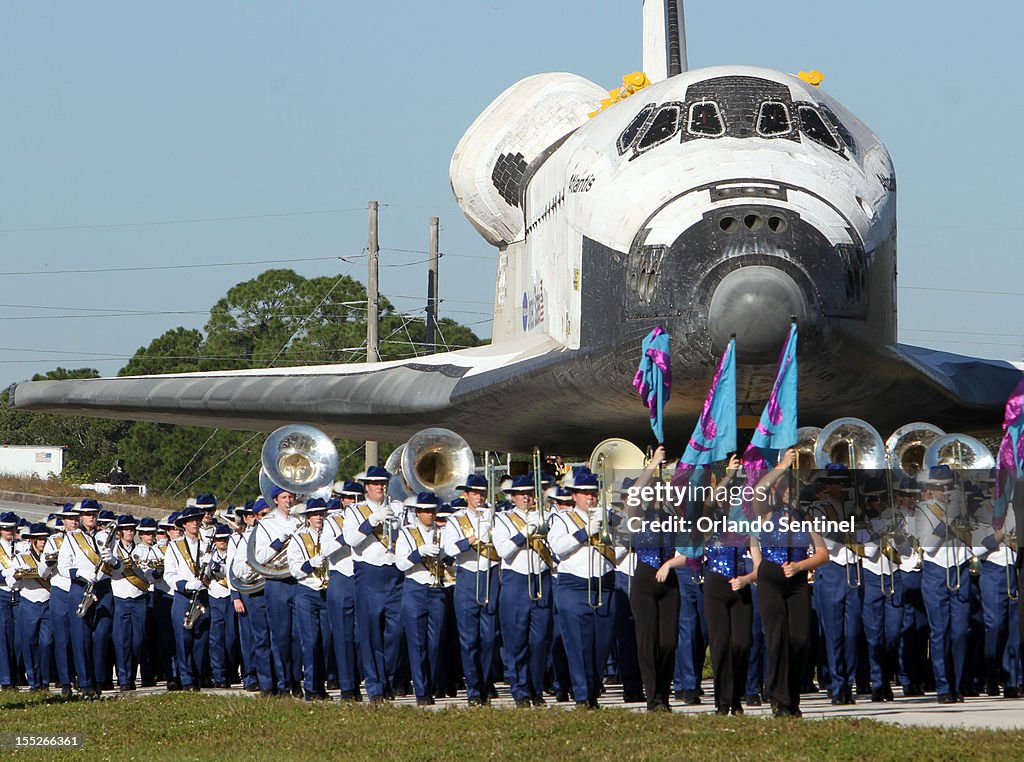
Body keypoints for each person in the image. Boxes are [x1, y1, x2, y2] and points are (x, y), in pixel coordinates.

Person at [751, 448, 829, 718]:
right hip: (771, 579)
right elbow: (759, 490)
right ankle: (778, 698)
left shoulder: (805, 518)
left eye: (791, 489)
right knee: (776, 639)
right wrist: (783, 465)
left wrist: (800, 565)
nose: (788, 493)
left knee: (799, 640)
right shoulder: (765, 514)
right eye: (784, 488)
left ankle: (792, 699)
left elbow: (822, 554)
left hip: (796, 580)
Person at [547, 469, 623, 709]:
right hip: (574, 584)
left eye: (593, 493)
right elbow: (558, 547)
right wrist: (586, 531)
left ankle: (592, 691)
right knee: (579, 643)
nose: (590, 497)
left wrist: (610, 535)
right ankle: (582, 695)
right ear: (574, 495)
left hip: (604, 583)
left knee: (601, 644)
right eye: (584, 493)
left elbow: (626, 542)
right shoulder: (563, 519)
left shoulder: (609, 517)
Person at [625, 446, 682, 712]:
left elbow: (689, 550)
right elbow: (634, 497)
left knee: (668, 641)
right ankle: (653, 698)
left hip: (668, 579)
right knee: (647, 640)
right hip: (645, 579)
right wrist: (653, 464)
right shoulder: (638, 517)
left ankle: (665, 693)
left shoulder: (673, 517)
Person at [701, 455, 758, 716]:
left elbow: (757, 561)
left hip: (740, 586)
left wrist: (747, 579)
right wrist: (730, 474)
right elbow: (710, 502)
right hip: (715, 584)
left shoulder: (745, 525)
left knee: (742, 643)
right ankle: (723, 702)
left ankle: (736, 698)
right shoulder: (709, 521)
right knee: (720, 644)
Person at [342, 465, 404, 703]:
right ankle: (375, 686)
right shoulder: (356, 512)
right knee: (370, 634)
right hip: (368, 573)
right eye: (375, 483)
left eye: (383, 483)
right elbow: (351, 540)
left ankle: (388, 677)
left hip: (394, 573)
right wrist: (372, 521)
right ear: (367, 487)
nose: (380, 487)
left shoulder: (397, 507)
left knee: (395, 633)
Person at [493, 474, 555, 707]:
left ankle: (536, 688)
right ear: (514, 497)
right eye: (522, 494)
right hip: (516, 580)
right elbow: (503, 551)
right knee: (516, 639)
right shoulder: (504, 520)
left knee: (540, 640)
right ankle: (520, 690)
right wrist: (523, 534)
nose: (527, 498)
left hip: (541, 578)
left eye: (531, 493)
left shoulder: (546, 517)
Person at [442, 472, 501, 706]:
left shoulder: (495, 517)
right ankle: (474, 689)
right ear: (466, 495)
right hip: (467, 576)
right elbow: (449, 548)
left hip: (491, 575)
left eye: (482, 493)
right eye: (475, 493)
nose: (479, 497)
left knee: (490, 637)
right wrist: (473, 538)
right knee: (469, 639)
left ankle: (485, 683)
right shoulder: (456, 520)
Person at [914, 464, 971, 703]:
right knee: (940, 632)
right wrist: (947, 519)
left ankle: (958, 685)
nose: (945, 491)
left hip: (960, 568)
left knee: (959, 632)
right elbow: (927, 545)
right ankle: (943, 687)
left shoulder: (964, 509)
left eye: (949, 486)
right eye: (941, 487)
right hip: (936, 570)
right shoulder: (923, 510)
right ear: (931, 488)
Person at [807, 463, 862, 705]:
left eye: (844, 481)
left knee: (852, 633)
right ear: (827, 486)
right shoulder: (820, 508)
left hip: (852, 569)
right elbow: (828, 538)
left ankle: (848, 681)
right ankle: (837, 683)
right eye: (837, 482)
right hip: (830, 570)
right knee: (833, 633)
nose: (842, 486)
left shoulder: (853, 508)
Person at [395, 492, 449, 706]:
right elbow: (401, 564)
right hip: (415, 588)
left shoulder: (442, 533)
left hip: (436, 590)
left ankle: (431, 683)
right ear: (417, 513)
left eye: (432, 510)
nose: (430, 514)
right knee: (417, 643)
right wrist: (419, 552)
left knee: (435, 642)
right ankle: (421, 690)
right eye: (425, 511)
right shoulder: (407, 534)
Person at [57, 498, 114, 698]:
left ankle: (99, 680)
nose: (91, 517)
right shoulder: (72, 538)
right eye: (87, 514)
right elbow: (62, 567)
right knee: (81, 638)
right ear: (80, 517)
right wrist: (80, 572)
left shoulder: (107, 536)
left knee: (101, 636)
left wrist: (113, 560)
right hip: (81, 587)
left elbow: (119, 568)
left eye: (94, 513)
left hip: (104, 588)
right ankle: (86, 683)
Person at [253, 485, 302, 697]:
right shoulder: (266, 524)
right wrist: (279, 541)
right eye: (284, 497)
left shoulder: (301, 520)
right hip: (277, 583)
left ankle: (296, 681)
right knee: (280, 636)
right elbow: (259, 557)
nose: (289, 501)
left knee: (298, 636)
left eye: (291, 497)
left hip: (299, 580)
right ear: (276, 500)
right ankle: (282, 683)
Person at [164, 505, 211, 692]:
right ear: (184, 524)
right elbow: (169, 574)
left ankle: (198, 676)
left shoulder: (207, 544)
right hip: (183, 596)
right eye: (191, 520)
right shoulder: (175, 547)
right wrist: (186, 584)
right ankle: (186, 679)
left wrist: (213, 566)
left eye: (197, 520)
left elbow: (219, 571)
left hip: (202, 596)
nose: (195, 523)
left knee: (201, 638)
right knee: (184, 640)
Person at [288, 498, 331, 701]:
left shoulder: (330, 535)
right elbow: (295, 570)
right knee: (311, 641)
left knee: (326, 641)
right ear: (307, 517)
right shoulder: (299, 538)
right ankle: (312, 688)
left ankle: (321, 687)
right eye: (314, 514)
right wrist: (310, 564)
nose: (318, 518)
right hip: (307, 591)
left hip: (327, 592)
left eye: (321, 514)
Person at [231, 498, 274, 695]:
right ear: (254, 517)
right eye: (263, 515)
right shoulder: (242, 539)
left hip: (275, 589)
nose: (267, 518)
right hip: (253, 590)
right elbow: (233, 571)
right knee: (254, 638)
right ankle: (252, 677)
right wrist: (235, 596)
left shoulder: (278, 532)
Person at [321, 491, 361, 701]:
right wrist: (344, 538)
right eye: (348, 498)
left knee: (360, 637)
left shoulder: (365, 515)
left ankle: (361, 680)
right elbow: (324, 549)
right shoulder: (331, 521)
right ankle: (347, 686)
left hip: (363, 578)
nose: (352, 502)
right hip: (341, 576)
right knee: (343, 635)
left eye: (357, 497)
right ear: (342, 500)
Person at [106, 515, 150, 691]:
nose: (130, 531)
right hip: (120, 598)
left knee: (138, 640)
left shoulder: (143, 550)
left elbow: (148, 575)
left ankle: (131, 674)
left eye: (132, 529)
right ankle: (124, 679)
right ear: (119, 532)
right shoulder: (113, 550)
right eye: (126, 529)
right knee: (121, 641)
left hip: (139, 598)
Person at [11, 523, 53, 691]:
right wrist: (17, 575)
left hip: (48, 602)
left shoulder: (52, 557)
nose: (43, 542)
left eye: (45, 539)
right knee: (29, 643)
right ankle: (34, 681)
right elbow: (12, 581)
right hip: (28, 602)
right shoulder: (22, 557)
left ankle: (44, 679)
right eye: (40, 539)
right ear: (33, 540)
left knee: (47, 643)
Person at [45, 505, 77, 698]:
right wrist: (51, 562)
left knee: (80, 638)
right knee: (62, 639)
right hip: (60, 590)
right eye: (69, 518)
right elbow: (43, 572)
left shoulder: (86, 540)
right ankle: (65, 681)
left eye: (76, 518)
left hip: (80, 589)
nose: (73, 521)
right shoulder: (53, 541)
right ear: (62, 521)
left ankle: (81, 677)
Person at [206, 523, 234, 688]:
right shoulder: (208, 554)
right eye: (218, 539)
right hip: (214, 596)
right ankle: (219, 676)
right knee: (216, 640)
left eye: (224, 538)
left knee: (231, 640)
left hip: (231, 598)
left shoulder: (233, 552)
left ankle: (231, 673)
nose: (222, 541)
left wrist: (216, 566)